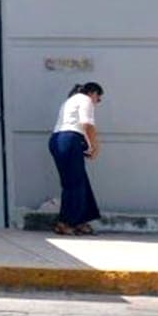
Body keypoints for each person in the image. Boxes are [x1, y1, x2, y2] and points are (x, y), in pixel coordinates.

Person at [48, 82, 104, 236]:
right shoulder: (85, 99)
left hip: (59, 139)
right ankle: (66, 222)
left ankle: (80, 220)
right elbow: (87, 125)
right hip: (70, 139)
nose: (96, 102)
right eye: (98, 99)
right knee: (75, 184)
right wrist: (94, 146)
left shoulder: (71, 100)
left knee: (78, 181)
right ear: (93, 93)